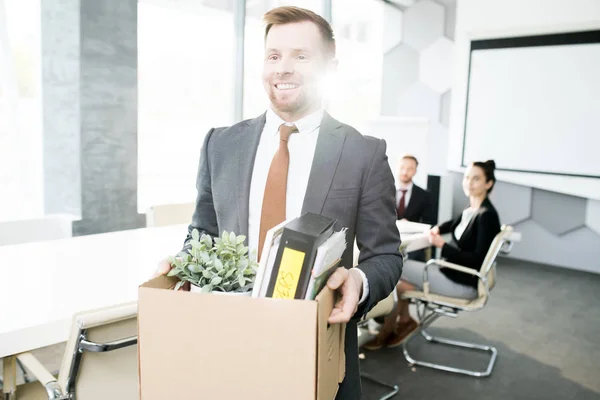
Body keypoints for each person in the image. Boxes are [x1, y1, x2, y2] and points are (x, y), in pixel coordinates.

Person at [154, 6, 403, 399]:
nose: (283, 68)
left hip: (317, 351)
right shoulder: (220, 144)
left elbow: (386, 254)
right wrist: (185, 262)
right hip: (225, 346)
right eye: (274, 55)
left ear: (330, 68)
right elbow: (203, 231)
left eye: (301, 56)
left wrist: (359, 278)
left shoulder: (363, 153)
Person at [364, 160, 501, 350]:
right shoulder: (471, 210)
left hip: (463, 282)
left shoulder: (486, 215)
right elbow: (452, 224)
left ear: (488, 183)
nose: (469, 182)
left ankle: (389, 329)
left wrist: (442, 245)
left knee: (397, 268)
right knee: (398, 283)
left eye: (476, 178)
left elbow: (477, 259)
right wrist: (436, 229)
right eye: (467, 177)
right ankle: (404, 321)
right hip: (452, 273)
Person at [396, 154, 435, 225]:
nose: (405, 172)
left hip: (413, 234)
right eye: (402, 167)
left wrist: (411, 225)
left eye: (409, 169)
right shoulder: (383, 192)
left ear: (415, 171)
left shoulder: (425, 195)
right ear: (397, 168)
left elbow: (428, 222)